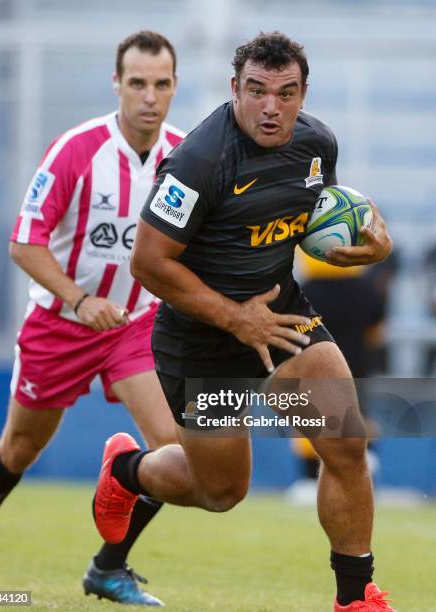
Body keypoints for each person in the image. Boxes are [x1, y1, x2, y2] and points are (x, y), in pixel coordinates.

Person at [93, 32, 395, 611]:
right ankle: (127, 470)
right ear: (235, 89)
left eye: (285, 93)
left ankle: (355, 597)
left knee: (346, 443)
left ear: (304, 94)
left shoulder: (317, 145)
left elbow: (307, 223)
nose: (270, 106)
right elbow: (149, 264)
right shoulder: (198, 162)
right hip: (201, 338)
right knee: (221, 491)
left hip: (280, 315)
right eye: (256, 91)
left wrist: (367, 249)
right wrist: (236, 320)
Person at [0, 30, 184, 606]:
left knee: (177, 453)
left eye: (161, 84)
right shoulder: (76, 150)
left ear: (174, 86)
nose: (149, 97)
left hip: (134, 325)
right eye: (137, 83)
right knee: (19, 448)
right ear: (117, 84)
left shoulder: (186, 159)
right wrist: (81, 300)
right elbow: (23, 242)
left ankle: (109, 567)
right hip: (60, 323)